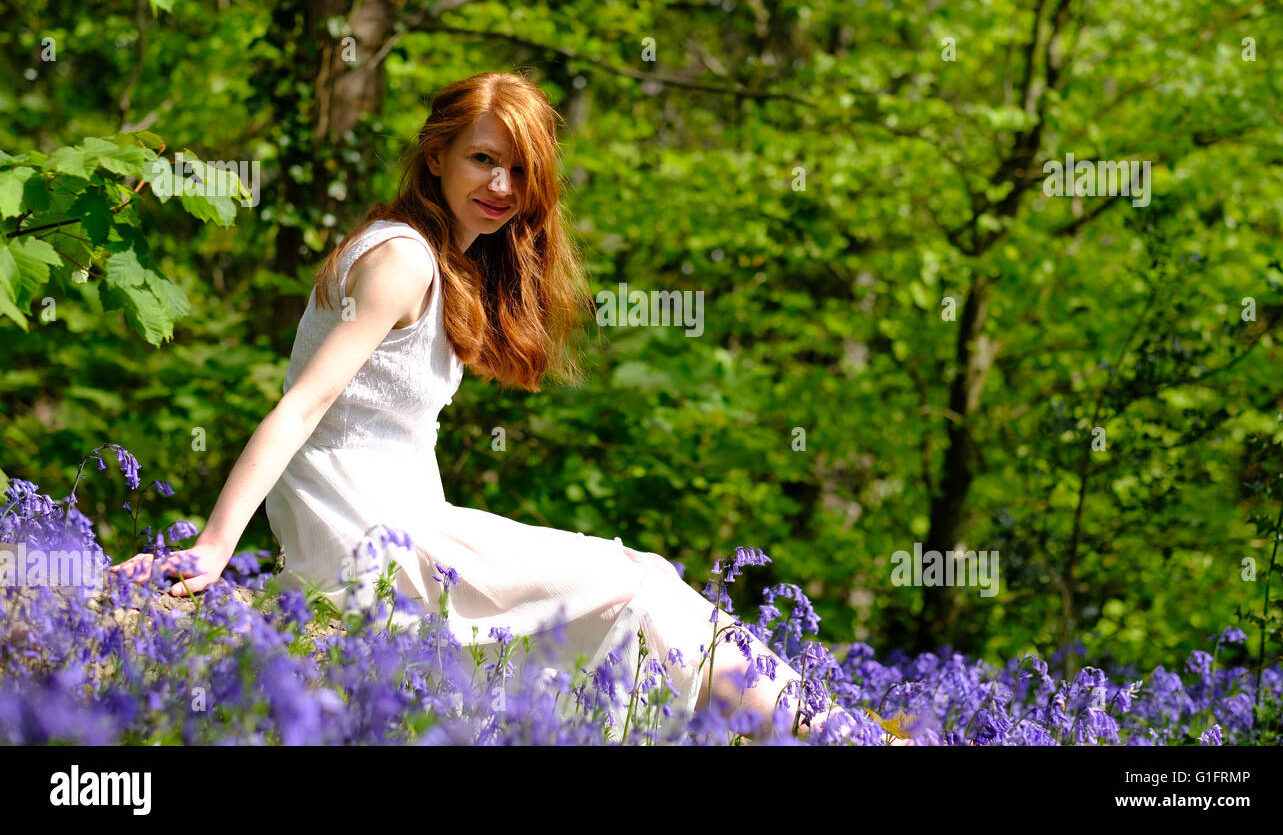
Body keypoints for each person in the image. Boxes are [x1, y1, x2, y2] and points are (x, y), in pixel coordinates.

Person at [110, 70, 854, 743]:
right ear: (436, 155)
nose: (502, 184)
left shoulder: (441, 261)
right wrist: (213, 547)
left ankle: (840, 733)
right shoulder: (402, 259)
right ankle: (848, 739)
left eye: (521, 169)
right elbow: (301, 408)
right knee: (637, 584)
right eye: (483, 160)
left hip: (398, 536)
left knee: (646, 586)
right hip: (375, 547)